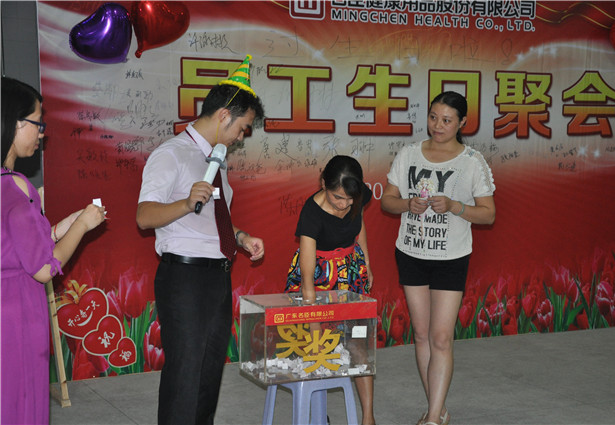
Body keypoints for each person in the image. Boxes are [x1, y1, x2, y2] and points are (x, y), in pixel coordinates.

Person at [136, 56, 266, 425]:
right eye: (242, 128)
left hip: (217, 277)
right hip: (185, 278)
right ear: (224, 115)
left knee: (209, 375)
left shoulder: (216, 160)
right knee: (185, 375)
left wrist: (241, 237)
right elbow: (144, 216)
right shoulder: (171, 154)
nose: (241, 137)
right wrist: (184, 202)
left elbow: (210, 219)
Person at [381, 91, 496, 425]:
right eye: (433, 117)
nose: (438, 125)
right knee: (421, 335)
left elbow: (488, 214)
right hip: (411, 252)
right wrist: (407, 204)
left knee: (441, 337)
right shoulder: (409, 154)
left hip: (451, 256)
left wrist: (455, 206)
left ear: (462, 123)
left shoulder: (472, 161)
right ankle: (438, 408)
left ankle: (432, 418)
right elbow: (387, 201)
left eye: (447, 120)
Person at [1, 76, 106, 424]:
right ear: (15, 123)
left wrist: (62, 227)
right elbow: (44, 268)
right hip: (16, 315)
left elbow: (17, 246)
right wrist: (83, 225)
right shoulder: (15, 185)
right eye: (37, 123)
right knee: (21, 402)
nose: (42, 133)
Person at [285, 155, 376, 425]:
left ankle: (368, 417)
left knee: (358, 343)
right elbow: (308, 276)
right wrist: (312, 318)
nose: (344, 204)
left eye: (350, 199)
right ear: (323, 183)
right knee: (314, 347)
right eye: (338, 197)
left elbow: (360, 224)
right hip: (320, 275)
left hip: (352, 270)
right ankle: (317, 415)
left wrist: (366, 264)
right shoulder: (312, 213)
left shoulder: (355, 193)